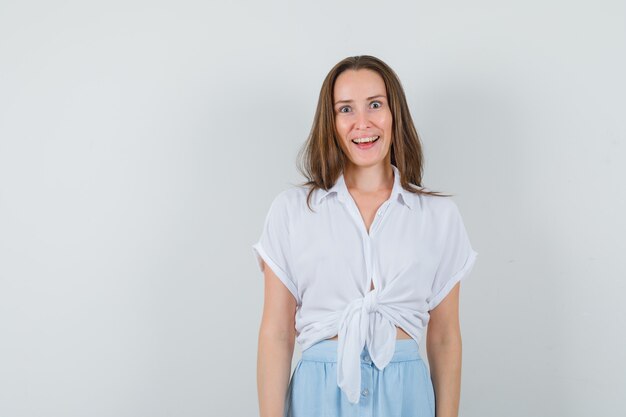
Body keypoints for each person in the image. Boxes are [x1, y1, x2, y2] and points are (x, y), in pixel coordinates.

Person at [253, 55, 478, 417]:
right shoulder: (292, 210)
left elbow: (445, 337)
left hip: (405, 396)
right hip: (318, 395)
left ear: (394, 114)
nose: (362, 123)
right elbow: (277, 333)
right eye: (345, 109)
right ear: (331, 122)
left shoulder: (439, 216)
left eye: (375, 104)